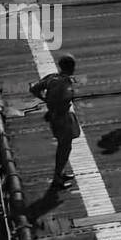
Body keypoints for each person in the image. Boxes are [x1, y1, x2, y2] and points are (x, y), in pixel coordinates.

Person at [30, 54, 80, 190]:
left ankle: (60, 172)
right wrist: (53, 105)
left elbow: (34, 88)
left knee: (65, 146)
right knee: (64, 147)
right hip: (62, 117)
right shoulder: (65, 82)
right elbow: (63, 100)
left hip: (56, 115)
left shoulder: (52, 77)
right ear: (72, 67)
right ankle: (57, 177)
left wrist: (46, 101)